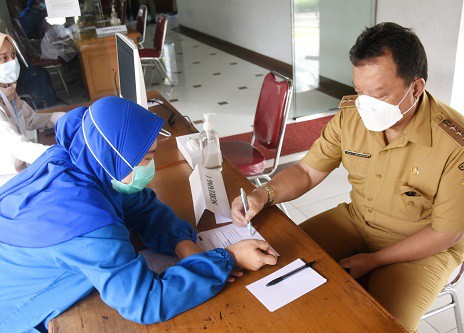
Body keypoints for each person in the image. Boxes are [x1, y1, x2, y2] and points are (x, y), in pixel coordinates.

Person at [231, 22, 464, 332]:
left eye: (378, 94)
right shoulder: (352, 116)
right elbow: (305, 171)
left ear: (416, 88)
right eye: (359, 91)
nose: (365, 104)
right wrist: (264, 194)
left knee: (380, 325)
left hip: (421, 247)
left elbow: (447, 234)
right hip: (356, 222)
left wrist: (374, 260)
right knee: (272, 263)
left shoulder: (459, 145)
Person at [0, 96, 278, 332]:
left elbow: (140, 205)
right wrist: (227, 257)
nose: (151, 166)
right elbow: (146, 302)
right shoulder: (87, 222)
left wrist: (183, 243)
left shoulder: (82, 157)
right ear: (116, 159)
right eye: (145, 158)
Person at [0, 32, 65, 186]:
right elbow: (21, 148)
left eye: (13, 55)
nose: (12, 62)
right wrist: (59, 154)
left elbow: (31, 119)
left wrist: (61, 118)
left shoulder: (9, 95)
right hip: (9, 185)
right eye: (3, 58)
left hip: (23, 173)